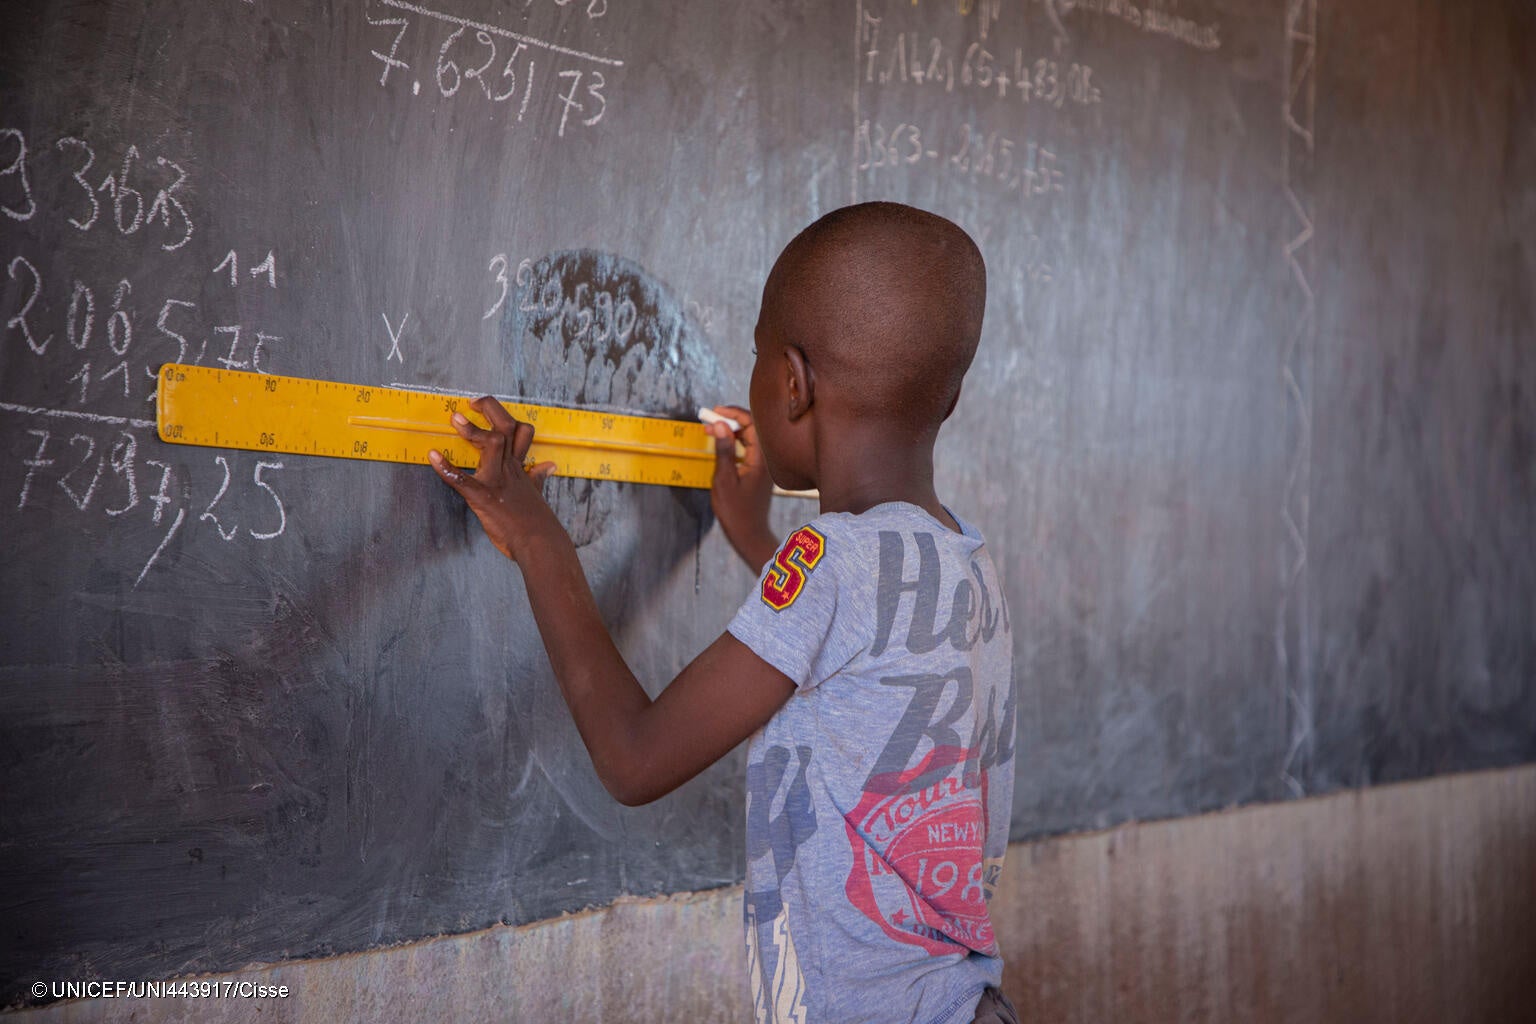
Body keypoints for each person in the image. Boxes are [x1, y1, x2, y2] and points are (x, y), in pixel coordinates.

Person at [429, 201, 1019, 1024]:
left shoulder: (825, 564)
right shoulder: (964, 558)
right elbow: (857, 644)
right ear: (948, 400)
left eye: (753, 358)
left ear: (791, 383)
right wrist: (755, 535)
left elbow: (635, 760)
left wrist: (539, 541)